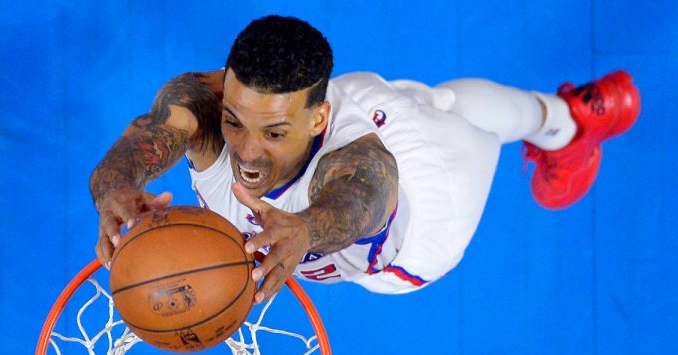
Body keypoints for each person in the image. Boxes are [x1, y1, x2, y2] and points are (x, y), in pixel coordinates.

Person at [90, 15, 640, 303]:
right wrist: (115, 188)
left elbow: (364, 196)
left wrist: (307, 229)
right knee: (439, 101)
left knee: (463, 122)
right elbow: (143, 143)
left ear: (319, 120)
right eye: (235, 123)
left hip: (422, 205)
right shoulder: (204, 100)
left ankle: (569, 123)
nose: (248, 151)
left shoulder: (356, 161)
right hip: (353, 100)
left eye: (272, 134)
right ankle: (569, 113)